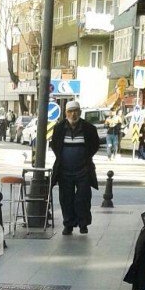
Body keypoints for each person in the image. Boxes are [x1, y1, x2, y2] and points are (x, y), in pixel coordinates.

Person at [50, 99, 100, 235]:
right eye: (70, 112)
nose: (73, 114)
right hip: (64, 170)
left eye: (76, 111)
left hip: (83, 170)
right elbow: (55, 146)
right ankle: (69, 225)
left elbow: (95, 145)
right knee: (66, 199)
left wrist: (85, 158)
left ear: (80, 112)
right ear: (66, 113)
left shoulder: (89, 129)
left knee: (83, 198)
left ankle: (83, 224)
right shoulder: (59, 128)